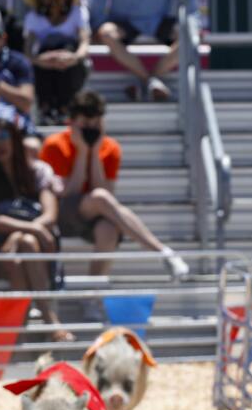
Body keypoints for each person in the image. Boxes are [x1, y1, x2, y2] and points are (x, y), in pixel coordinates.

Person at [39, 90, 190, 283]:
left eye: (95, 124)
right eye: (85, 124)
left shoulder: (110, 148)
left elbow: (106, 192)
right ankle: (162, 251)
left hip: (91, 212)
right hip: (60, 213)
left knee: (108, 228)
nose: (90, 129)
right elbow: (68, 192)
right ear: (72, 122)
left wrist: (94, 154)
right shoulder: (55, 145)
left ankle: (93, 295)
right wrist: (82, 152)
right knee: (100, 198)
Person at [0, 120, 71, 341]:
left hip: (34, 251)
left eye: (3, 138)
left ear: (15, 140)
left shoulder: (38, 171)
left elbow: (50, 214)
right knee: (25, 242)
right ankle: (49, 320)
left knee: (24, 247)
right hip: (0, 250)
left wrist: (25, 235)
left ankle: (16, 327)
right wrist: (32, 230)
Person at [90, 0, 189, 101]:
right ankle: (150, 81)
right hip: (123, 21)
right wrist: (96, 26)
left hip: (159, 21)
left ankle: (147, 79)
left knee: (189, 37)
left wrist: (194, 23)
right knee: (106, 33)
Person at [22, 0, 91, 125]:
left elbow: (84, 42)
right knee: (46, 50)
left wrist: (72, 58)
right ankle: (45, 109)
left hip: (72, 65)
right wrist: (40, 61)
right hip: (44, 67)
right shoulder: (33, 17)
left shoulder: (77, 13)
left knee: (66, 49)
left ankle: (65, 110)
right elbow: (27, 49)